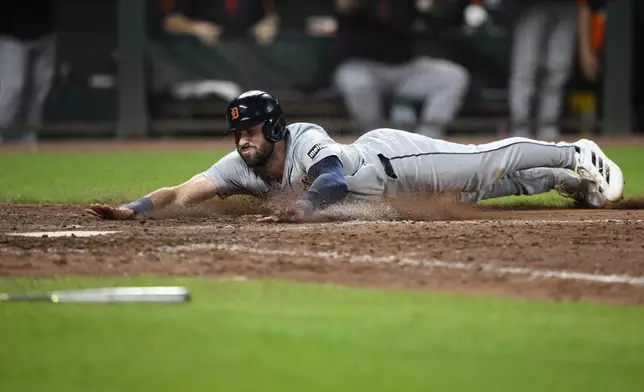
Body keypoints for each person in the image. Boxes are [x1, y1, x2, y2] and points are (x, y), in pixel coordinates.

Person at [86, 90, 624, 222]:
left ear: (272, 127)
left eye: (250, 131)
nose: (242, 141)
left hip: (395, 161)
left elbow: (333, 181)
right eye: (237, 135)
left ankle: (573, 151)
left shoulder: (306, 137)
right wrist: (134, 210)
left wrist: (300, 210)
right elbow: (183, 191)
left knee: (482, 162)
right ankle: (563, 178)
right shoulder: (240, 167)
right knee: (488, 190)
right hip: (399, 194)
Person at [332, 0, 469, 137]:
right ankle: (373, 141)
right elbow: (344, 5)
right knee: (356, 83)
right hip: (362, 67)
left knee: (453, 77)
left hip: (405, 68)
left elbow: (438, 16)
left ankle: (425, 142)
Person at [508, 0, 578, 139]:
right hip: (530, 5)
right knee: (526, 65)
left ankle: (548, 123)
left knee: (558, 68)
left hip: (567, 5)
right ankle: (519, 125)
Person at [0, 0, 57, 147]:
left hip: (44, 30)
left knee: (39, 89)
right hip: (12, 33)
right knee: (11, 88)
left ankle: (28, 141)